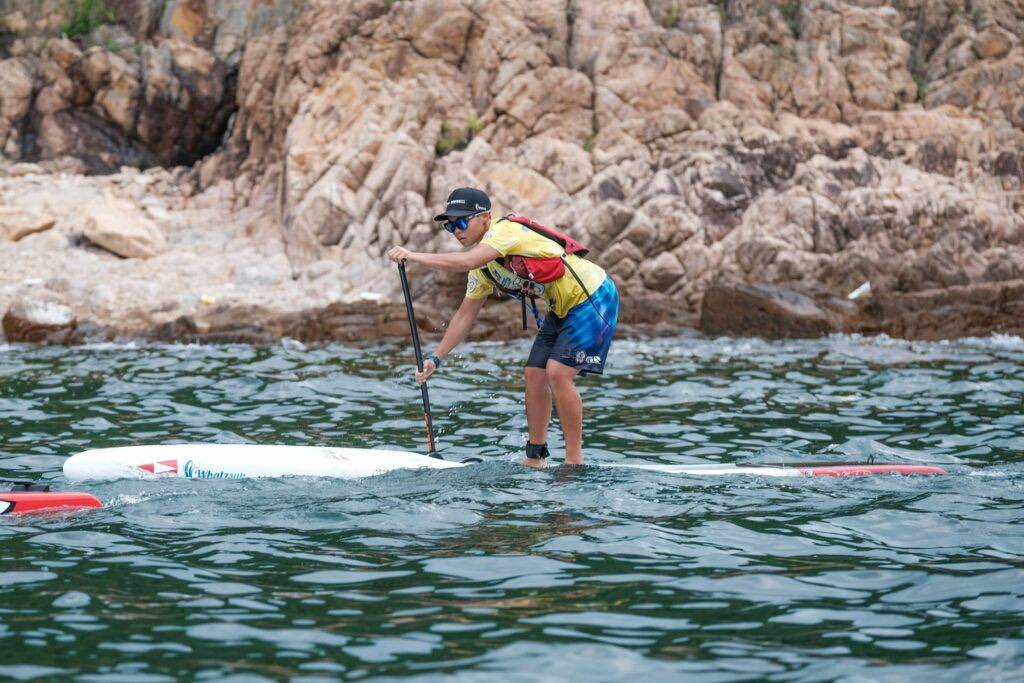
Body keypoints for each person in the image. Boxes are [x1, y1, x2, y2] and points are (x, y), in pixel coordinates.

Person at [387, 187, 619, 466]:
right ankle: (535, 458)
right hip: (562, 307)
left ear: (485, 217)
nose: (456, 230)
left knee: (557, 373)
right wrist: (436, 359)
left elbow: (467, 260)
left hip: (594, 296)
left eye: (462, 222)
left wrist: (413, 256)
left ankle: (574, 462)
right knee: (534, 373)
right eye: (450, 226)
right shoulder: (483, 270)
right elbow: (465, 314)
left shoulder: (504, 231)